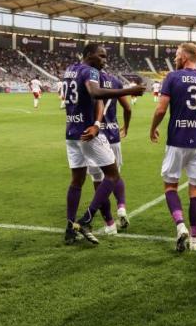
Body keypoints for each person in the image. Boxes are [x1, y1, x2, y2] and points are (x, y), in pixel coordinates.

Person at [62, 43, 145, 245]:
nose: (104, 60)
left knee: (77, 181)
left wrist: (98, 123)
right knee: (113, 174)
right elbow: (95, 93)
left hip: (71, 132)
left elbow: (94, 99)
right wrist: (128, 90)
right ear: (89, 55)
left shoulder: (70, 69)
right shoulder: (90, 71)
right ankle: (86, 220)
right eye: (101, 56)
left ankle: (70, 229)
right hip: (86, 133)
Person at [150, 43, 196, 253]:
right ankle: (195, 238)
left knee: (170, 186)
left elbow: (161, 108)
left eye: (177, 54)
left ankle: (181, 226)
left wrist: (153, 128)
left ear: (186, 56)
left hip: (177, 140)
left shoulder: (172, 77)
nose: (175, 58)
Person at [87, 69, 133, 235]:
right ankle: (121, 207)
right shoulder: (114, 80)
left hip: (95, 135)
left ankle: (110, 224)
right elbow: (127, 108)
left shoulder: (88, 79)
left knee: (98, 179)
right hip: (113, 134)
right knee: (115, 175)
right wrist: (126, 127)